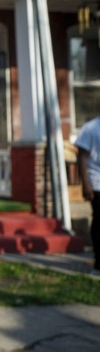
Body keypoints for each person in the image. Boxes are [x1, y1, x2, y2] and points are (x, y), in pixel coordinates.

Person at [75, 114, 100, 276]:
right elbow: (82, 157)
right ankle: (99, 262)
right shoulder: (91, 128)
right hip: (97, 182)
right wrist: (86, 184)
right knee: (99, 220)